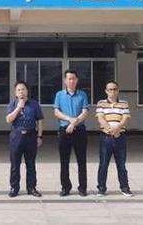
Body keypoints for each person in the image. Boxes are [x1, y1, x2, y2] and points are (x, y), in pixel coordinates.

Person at [54, 69, 89, 197]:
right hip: (64, 130)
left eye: (74, 78)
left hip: (79, 130)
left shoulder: (82, 95)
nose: (71, 81)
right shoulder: (59, 95)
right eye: (69, 79)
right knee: (64, 161)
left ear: (77, 80)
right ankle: (65, 187)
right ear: (65, 81)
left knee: (81, 160)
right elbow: (56, 112)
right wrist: (69, 120)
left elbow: (85, 112)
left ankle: (82, 187)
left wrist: (74, 123)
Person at [6, 81, 43, 198]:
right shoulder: (12, 104)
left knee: (31, 163)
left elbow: (40, 120)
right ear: (15, 93)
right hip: (16, 136)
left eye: (23, 89)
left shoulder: (34, 104)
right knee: (15, 164)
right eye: (19, 90)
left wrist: (40, 136)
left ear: (27, 91)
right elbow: (8, 120)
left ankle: (31, 187)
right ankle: (14, 188)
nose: (21, 92)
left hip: (31, 135)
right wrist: (18, 108)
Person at [95, 81, 132, 197]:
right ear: (106, 91)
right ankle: (101, 188)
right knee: (103, 164)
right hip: (105, 137)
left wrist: (117, 129)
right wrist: (110, 130)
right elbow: (101, 118)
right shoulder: (101, 103)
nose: (112, 91)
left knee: (121, 164)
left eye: (114, 89)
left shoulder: (124, 103)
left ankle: (125, 187)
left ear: (118, 90)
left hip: (120, 137)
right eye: (110, 89)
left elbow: (125, 118)